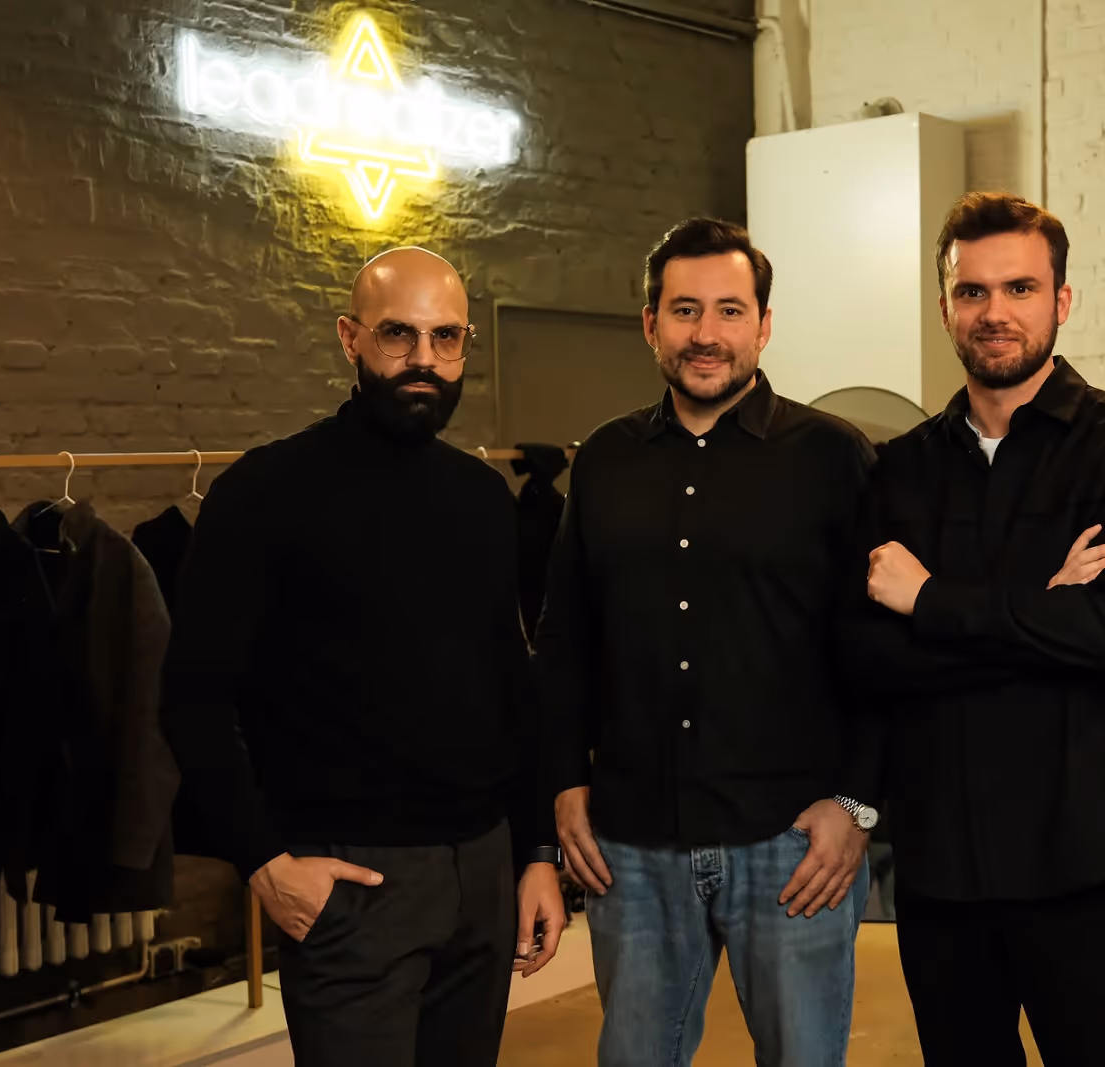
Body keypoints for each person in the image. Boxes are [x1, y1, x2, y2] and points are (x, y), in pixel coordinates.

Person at [160, 247, 565, 1067]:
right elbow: (192, 697)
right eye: (398, 334)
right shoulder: (265, 491)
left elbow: (512, 691)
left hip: (482, 871)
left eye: (445, 338)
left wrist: (535, 855)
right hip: (351, 880)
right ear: (349, 337)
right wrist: (264, 862)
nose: (424, 360)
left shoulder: (486, 499)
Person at [844, 192, 1105, 1066]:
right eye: (972, 292)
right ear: (947, 305)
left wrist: (930, 603)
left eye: (1021, 289)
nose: (995, 313)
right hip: (942, 874)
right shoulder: (900, 469)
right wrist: (1041, 606)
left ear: (1061, 301)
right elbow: (867, 656)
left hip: (1087, 869)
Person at [535, 218, 881, 1067]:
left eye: (730, 310)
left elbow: (882, 652)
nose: (706, 333)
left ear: (764, 325)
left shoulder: (836, 458)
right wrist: (562, 785)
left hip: (794, 848)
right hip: (634, 849)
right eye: (684, 309)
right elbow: (566, 639)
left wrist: (860, 807)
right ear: (650, 324)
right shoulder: (607, 460)